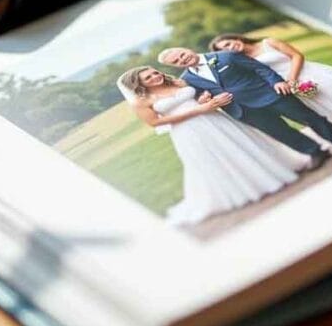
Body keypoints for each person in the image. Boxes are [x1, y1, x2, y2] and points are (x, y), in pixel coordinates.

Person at [117, 66, 308, 225]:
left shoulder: (179, 82)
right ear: (139, 84)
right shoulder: (141, 102)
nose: (155, 77)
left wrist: (203, 101)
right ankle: (243, 190)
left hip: (214, 118)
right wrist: (199, 109)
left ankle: (272, 172)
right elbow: (156, 123)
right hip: (189, 131)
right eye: (148, 77)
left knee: (239, 146)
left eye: (155, 72)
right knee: (214, 158)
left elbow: (197, 98)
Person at [158, 47, 332, 171]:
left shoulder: (225, 56)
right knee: (281, 133)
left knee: (310, 119)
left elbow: (260, 68)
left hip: (271, 95)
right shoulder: (188, 79)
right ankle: (315, 152)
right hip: (241, 109)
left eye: (181, 54)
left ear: (186, 49)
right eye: (176, 61)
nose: (182, 59)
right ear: (175, 66)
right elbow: (201, 96)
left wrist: (276, 82)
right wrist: (205, 97)